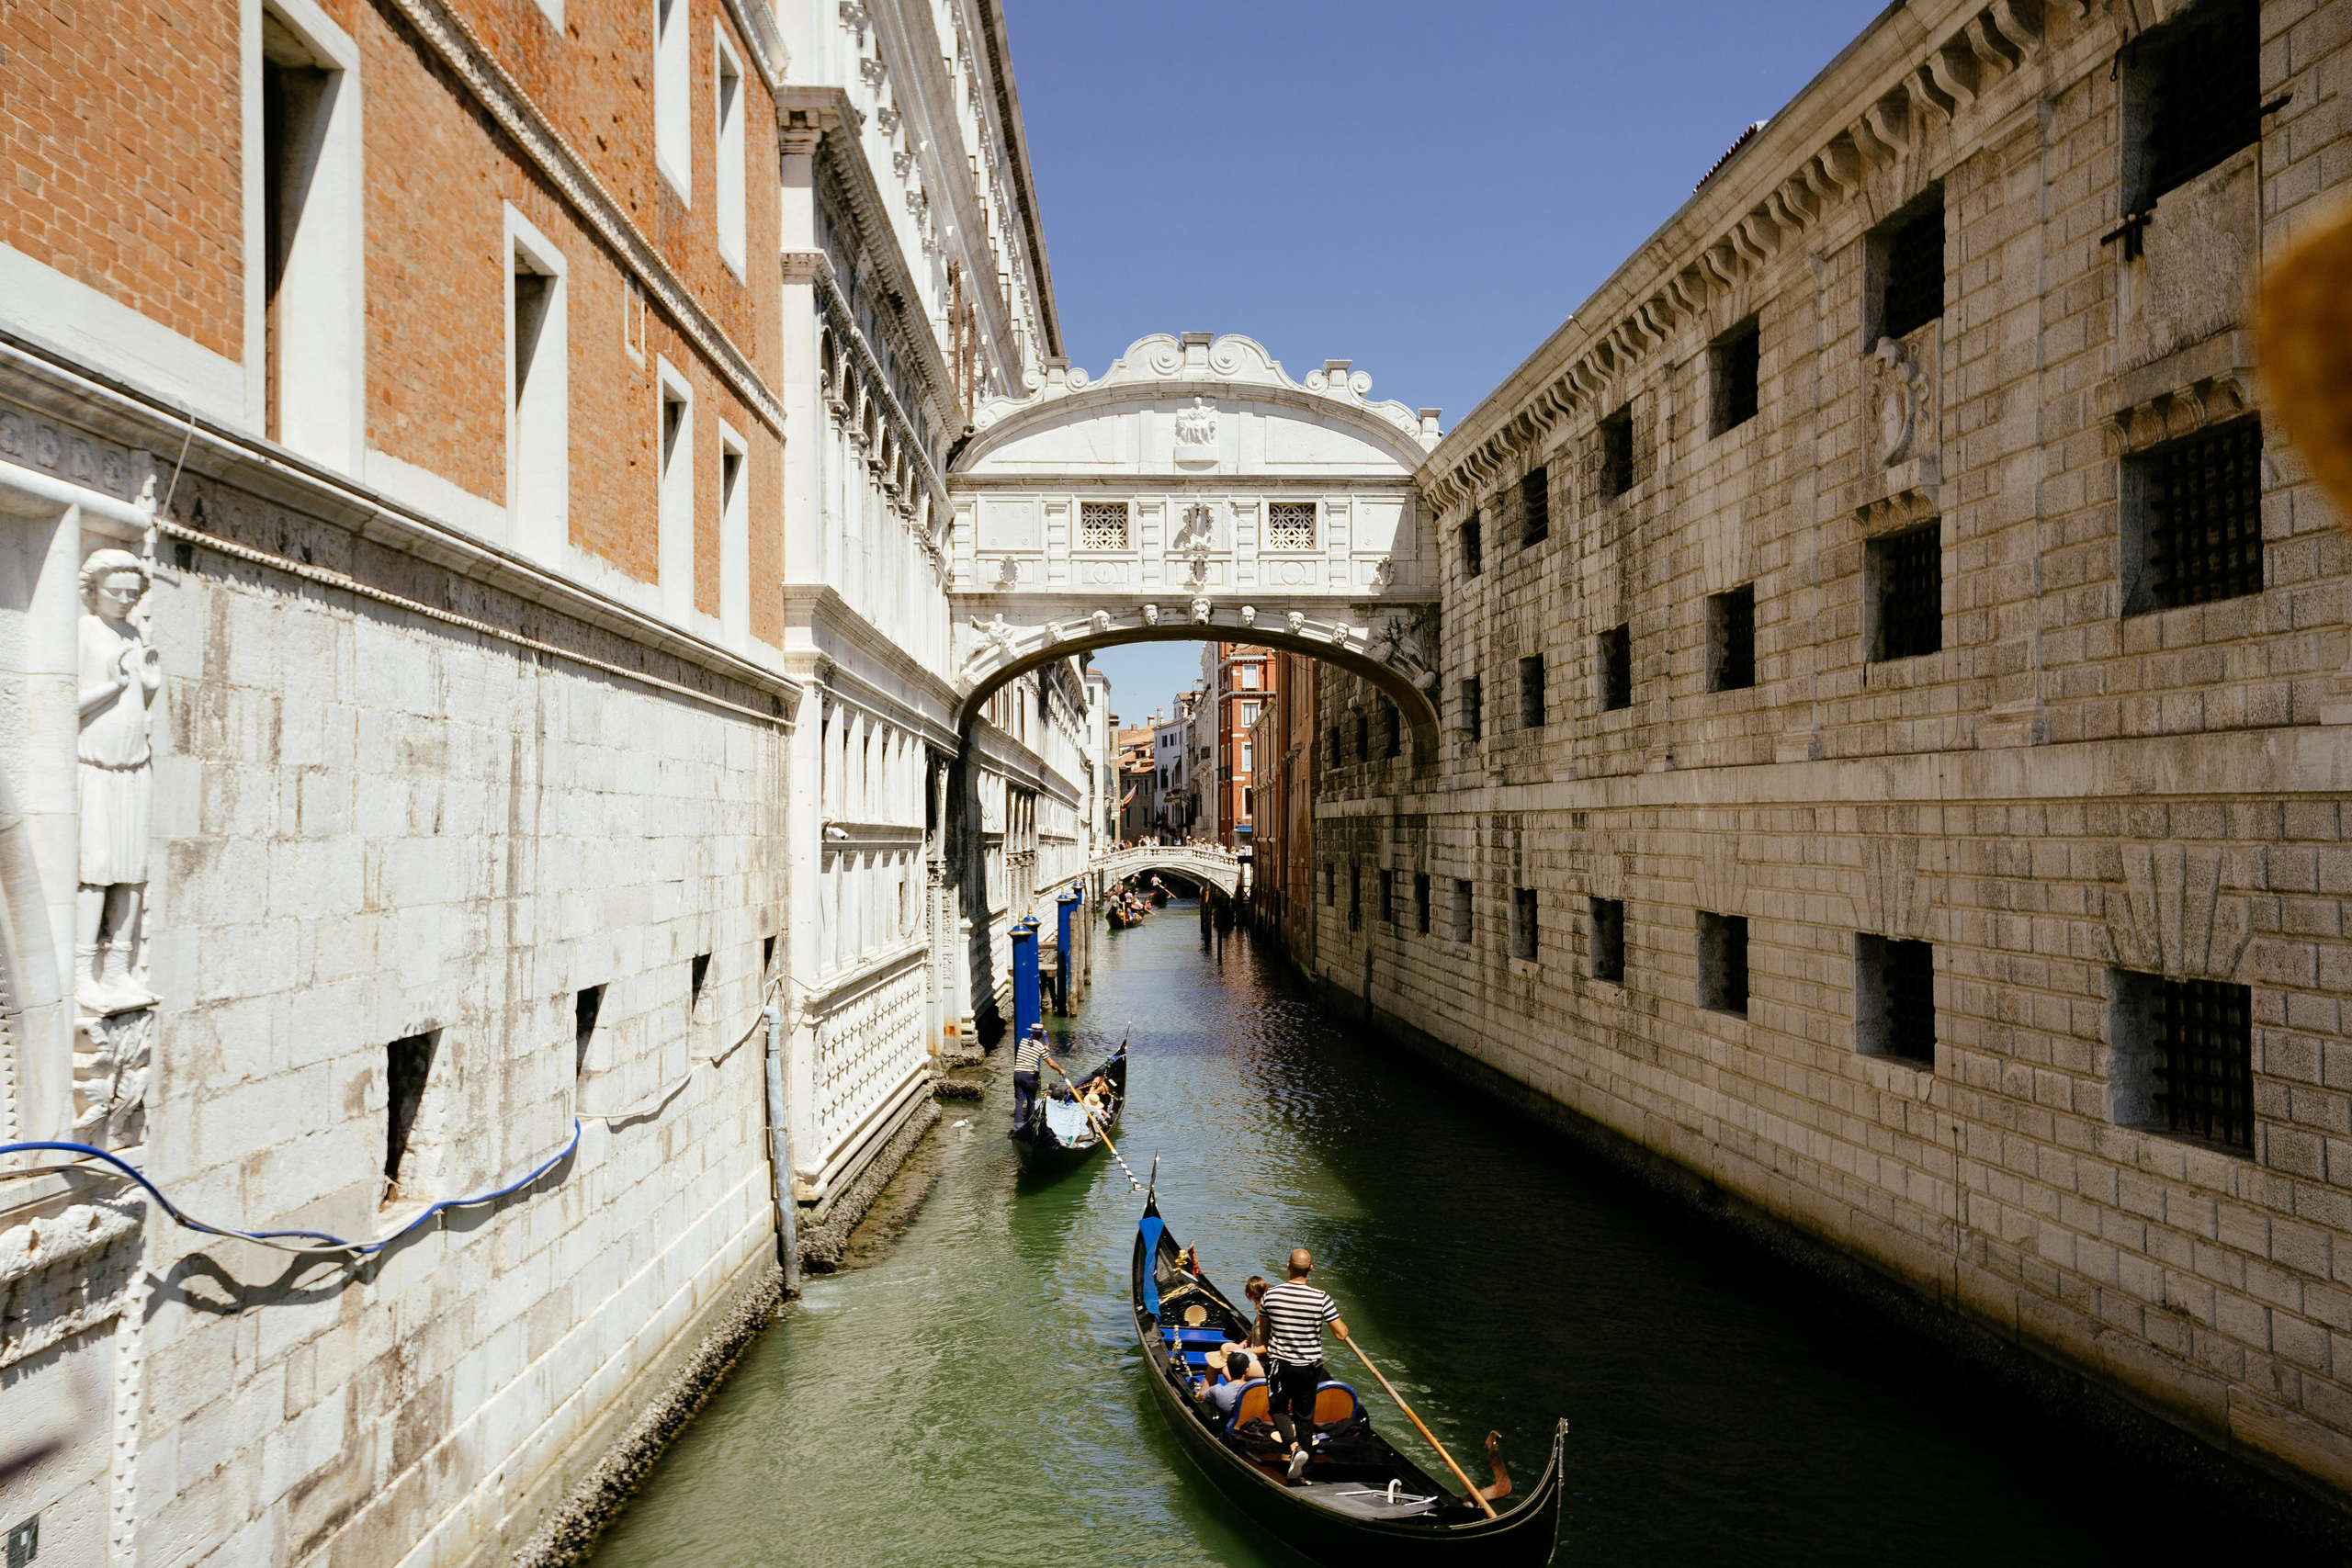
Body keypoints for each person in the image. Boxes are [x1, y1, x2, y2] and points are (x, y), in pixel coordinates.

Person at [1259, 1248, 1349, 1483]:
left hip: (1279, 1364)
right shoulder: (1322, 1298)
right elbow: (1341, 1334)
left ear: (1287, 1267)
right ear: (1311, 1268)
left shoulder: (1271, 1295)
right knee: (1305, 1417)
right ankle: (1306, 1472)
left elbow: (1265, 1336)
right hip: (1308, 1367)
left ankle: (1294, 1447)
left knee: (1278, 1409)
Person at [1204, 1346, 1261, 1425]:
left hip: (1232, 1430)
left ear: (1227, 1368)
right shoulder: (1258, 1391)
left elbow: (1202, 1396)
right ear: (1247, 1369)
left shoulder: (1217, 1391)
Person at [1011, 1022, 1050, 1132]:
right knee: (1031, 1100)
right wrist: (1061, 1070)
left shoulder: (1023, 1041)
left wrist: (1043, 1048)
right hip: (1029, 1076)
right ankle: (1031, 1123)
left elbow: (1032, 1046)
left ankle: (1018, 1124)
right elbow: (1050, 1063)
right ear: (1041, 1035)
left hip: (1017, 1074)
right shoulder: (1040, 1047)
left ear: (1031, 1032)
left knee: (1019, 1100)